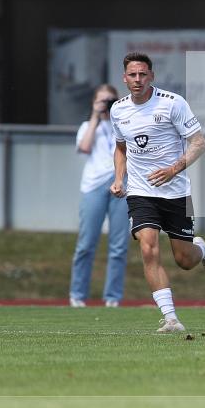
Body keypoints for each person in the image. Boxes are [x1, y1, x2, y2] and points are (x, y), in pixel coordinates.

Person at [110, 52, 205, 333]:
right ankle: (171, 318)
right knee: (148, 246)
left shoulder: (172, 104)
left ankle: (201, 248)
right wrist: (119, 179)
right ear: (124, 78)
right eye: (132, 75)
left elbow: (198, 142)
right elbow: (121, 147)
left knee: (184, 260)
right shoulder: (118, 110)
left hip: (175, 192)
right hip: (140, 191)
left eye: (143, 74)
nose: (138, 80)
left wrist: (174, 168)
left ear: (152, 76)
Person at [69, 84, 130, 308]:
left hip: (121, 185)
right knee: (86, 243)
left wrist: (116, 114)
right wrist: (96, 115)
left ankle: (112, 297)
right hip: (93, 186)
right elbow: (84, 147)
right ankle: (77, 294)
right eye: (102, 100)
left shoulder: (124, 124)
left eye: (110, 100)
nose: (107, 105)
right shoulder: (87, 125)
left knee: (119, 245)